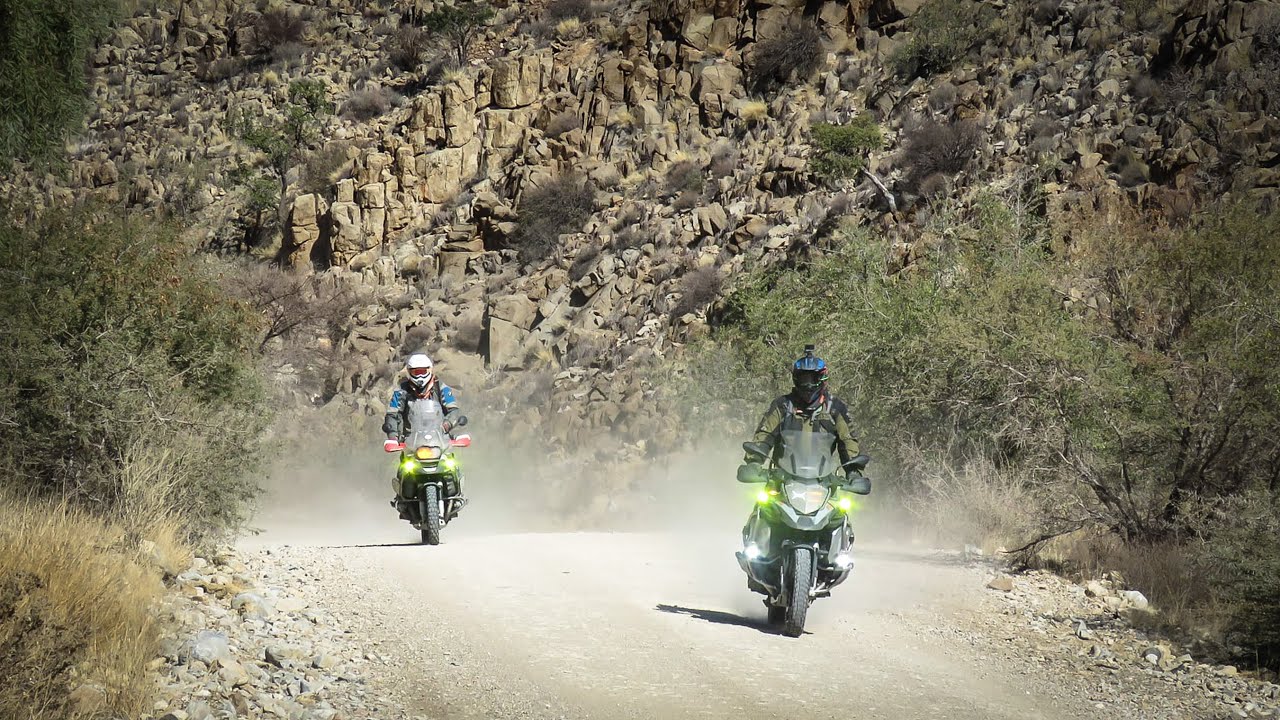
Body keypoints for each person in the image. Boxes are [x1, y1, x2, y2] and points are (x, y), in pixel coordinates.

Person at [743, 345, 865, 487]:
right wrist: (754, 462)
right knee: (760, 501)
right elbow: (765, 434)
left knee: (842, 502)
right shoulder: (783, 405)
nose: (808, 385)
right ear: (796, 379)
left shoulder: (835, 408)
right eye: (804, 379)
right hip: (780, 480)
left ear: (822, 378)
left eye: (813, 379)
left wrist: (853, 471)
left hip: (823, 483)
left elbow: (848, 440)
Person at [382, 353, 468, 512]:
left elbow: (453, 411)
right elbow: (393, 415)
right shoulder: (401, 391)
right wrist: (393, 437)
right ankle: (402, 500)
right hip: (411, 441)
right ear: (409, 372)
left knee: (452, 464)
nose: (420, 376)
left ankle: (456, 494)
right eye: (416, 372)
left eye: (423, 371)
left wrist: (447, 425)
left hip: (439, 438)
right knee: (403, 468)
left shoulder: (441, 388)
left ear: (430, 370)